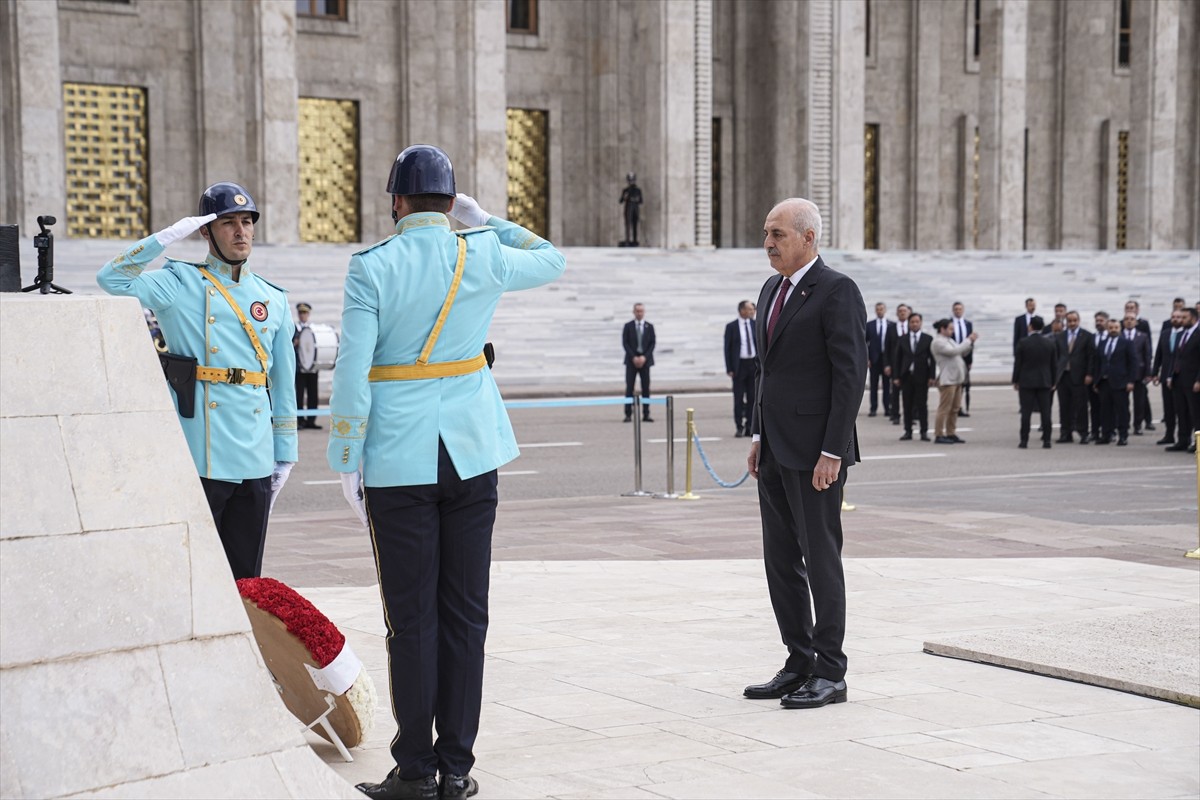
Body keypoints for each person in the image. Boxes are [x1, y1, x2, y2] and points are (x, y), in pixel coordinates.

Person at [330, 145, 565, 800]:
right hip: (471, 453)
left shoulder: (371, 267)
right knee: (466, 614)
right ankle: (457, 765)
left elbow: (352, 372)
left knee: (412, 618)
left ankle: (415, 768)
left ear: (397, 203)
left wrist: (347, 457)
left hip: (399, 459)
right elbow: (552, 259)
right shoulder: (482, 250)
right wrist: (488, 220)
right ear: (449, 203)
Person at [97, 182, 297, 579]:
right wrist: (163, 239)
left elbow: (283, 379)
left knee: (246, 577)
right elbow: (112, 279)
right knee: (196, 575)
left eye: (247, 222)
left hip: (255, 452)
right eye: (228, 223)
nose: (241, 232)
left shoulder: (272, 297)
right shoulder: (179, 284)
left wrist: (285, 450)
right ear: (205, 231)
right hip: (201, 449)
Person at [742, 197, 866, 711]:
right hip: (773, 449)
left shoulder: (837, 291)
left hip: (818, 455)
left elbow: (849, 376)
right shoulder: (772, 287)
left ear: (808, 238)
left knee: (820, 560)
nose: (768, 244)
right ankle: (798, 661)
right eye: (766, 234)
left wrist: (832, 450)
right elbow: (766, 372)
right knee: (780, 562)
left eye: (777, 235)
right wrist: (755, 435)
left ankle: (830, 672)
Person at [1012, 316, 1058, 448]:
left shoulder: (1023, 342)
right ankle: (1047, 440)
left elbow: (1018, 363)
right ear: (1042, 327)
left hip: (1027, 381)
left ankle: (1024, 440)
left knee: (1026, 412)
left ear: (1030, 326)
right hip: (1044, 380)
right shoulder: (1049, 343)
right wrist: (1053, 381)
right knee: (1046, 412)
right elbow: (1053, 364)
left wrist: (1015, 380)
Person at [891, 312, 936, 442]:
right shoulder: (903, 339)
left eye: (917, 321)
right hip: (906, 377)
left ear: (921, 323)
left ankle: (923, 431)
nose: (915, 324)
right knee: (907, 405)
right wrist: (896, 376)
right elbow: (897, 359)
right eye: (912, 322)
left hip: (922, 376)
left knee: (922, 405)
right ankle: (908, 431)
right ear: (909, 323)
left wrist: (932, 376)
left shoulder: (927, 339)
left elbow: (932, 360)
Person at [931, 318, 976, 444]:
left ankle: (951, 432)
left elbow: (961, 351)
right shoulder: (938, 342)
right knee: (944, 408)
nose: (952, 331)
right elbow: (954, 351)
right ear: (942, 329)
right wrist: (968, 340)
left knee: (955, 408)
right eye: (950, 328)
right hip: (947, 379)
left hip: (957, 379)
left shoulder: (949, 340)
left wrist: (970, 344)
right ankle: (939, 434)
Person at [1092, 316, 1135, 445]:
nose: (1113, 330)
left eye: (1116, 328)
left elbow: (1133, 363)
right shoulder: (1103, 343)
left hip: (1120, 382)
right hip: (1104, 382)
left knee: (1122, 410)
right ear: (1107, 328)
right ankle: (1106, 434)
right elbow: (1098, 363)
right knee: (1105, 410)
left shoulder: (1126, 343)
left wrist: (1131, 381)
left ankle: (1123, 435)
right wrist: (1096, 380)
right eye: (1111, 328)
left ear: (1120, 328)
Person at [1056, 310, 1095, 444]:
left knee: (1081, 406)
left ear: (1078, 321)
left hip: (1080, 376)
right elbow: (1057, 356)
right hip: (1063, 376)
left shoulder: (1087, 336)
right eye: (1069, 321)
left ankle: (1083, 433)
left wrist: (1089, 374)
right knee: (1064, 406)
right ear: (1066, 322)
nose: (1072, 323)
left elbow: (1091, 356)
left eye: (1074, 320)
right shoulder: (1060, 336)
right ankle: (1065, 433)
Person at [1165, 306, 1200, 453]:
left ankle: (1197, 442)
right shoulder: (1182, 334)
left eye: (1184, 318)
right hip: (1179, 379)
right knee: (1181, 411)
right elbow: (1176, 357)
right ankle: (1183, 440)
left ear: (1193, 318)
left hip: (1193, 381)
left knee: (1196, 413)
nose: (1181, 320)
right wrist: (1170, 375)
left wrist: (1199, 380)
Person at [1153, 308, 1186, 446]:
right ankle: (1169, 434)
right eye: (1173, 317)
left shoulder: (1185, 335)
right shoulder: (1165, 333)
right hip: (1165, 375)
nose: (1176, 319)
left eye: (1179, 317)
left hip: (1180, 377)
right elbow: (1159, 354)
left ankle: (1183, 437)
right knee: (1168, 408)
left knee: (1181, 408)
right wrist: (1155, 372)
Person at [724, 300, 758, 436]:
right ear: (742, 310)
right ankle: (739, 426)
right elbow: (727, 349)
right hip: (739, 367)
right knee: (738, 398)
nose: (752, 312)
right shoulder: (731, 326)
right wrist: (729, 368)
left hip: (753, 365)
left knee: (752, 398)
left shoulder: (755, 324)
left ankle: (750, 426)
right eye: (750, 309)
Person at [623, 303, 656, 422]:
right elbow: (625, 343)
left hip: (645, 362)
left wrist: (644, 357)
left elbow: (652, 343)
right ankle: (628, 413)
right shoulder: (628, 326)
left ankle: (646, 413)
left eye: (641, 311)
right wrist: (634, 357)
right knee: (629, 388)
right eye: (637, 311)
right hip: (632, 361)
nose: (639, 313)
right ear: (633, 312)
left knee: (646, 388)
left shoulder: (649, 326)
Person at [1121, 313, 1153, 435]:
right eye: (1126, 319)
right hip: (1123, 373)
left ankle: (1138, 425)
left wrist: (1148, 373)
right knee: (1123, 402)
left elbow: (1147, 355)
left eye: (1132, 319)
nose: (1129, 321)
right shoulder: (1119, 335)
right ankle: (1124, 424)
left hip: (1139, 373)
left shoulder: (1143, 336)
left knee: (1139, 401)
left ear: (1136, 322)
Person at [293, 302, 321, 429]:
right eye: (301, 313)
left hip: (312, 368)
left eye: (305, 313)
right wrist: (295, 342)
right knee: (299, 395)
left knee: (313, 394)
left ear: (308, 314)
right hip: (300, 368)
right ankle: (300, 421)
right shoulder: (294, 328)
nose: (303, 315)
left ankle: (311, 421)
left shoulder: (313, 329)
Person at [883, 303, 911, 424]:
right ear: (897, 313)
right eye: (900, 311)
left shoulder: (912, 327)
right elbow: (886, 348)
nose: (902, 313)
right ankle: (895, 415)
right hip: (895, 364)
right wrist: (887, 365)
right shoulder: (891, 328)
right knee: (894, 391)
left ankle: (910, 416)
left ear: (908, 313)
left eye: (904, 311)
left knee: (909, 391)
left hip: (909, 364)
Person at [864, 302, 891, 418]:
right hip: (874, 359)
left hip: (887, 360)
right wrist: (867, 358)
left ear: (885, 310)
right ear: (875, 311)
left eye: (881, 309)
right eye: (878, 309)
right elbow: (864, 342)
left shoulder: (891, 325)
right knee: (873, 386)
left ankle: (887, 408)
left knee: (886, 386)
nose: (880, 311)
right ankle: (873, 408)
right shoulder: (869, 325)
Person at [1088, 311, 1111, 442]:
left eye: (1101, 321)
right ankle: (1095, 431)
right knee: (1094, 406)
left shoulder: (1111, 337)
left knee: (1108, 407)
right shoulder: (1091, 337)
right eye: (1097, 321)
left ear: (1107, 322)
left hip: (1106, 378)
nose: (1098, 323)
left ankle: (1109, 431)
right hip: (1093, 377)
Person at [950, 301, 974, 416]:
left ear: (963, 310)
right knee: (953, 383)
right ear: (953, 310)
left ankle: (960, 406)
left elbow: (971, 344)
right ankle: (953, 406)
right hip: (952, 356)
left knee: (964, 384)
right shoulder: (949, 324)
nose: (958, 311)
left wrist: (970, 360)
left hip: (965, 357)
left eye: (960, 309)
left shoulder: (968, 324)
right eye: (956, 309)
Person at [619, 172, 643, 245]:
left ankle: (635, 240)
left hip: (635, 209)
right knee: (628, 224)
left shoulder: (638, 190)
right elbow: (620, 201)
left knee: (635, 225)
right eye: (630, 180)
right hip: (628, 209)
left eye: (632, 180)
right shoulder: (625, 190)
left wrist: (636, 199)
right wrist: (624, 197)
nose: (631, 182)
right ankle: (627, 240)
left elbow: (641, 201)